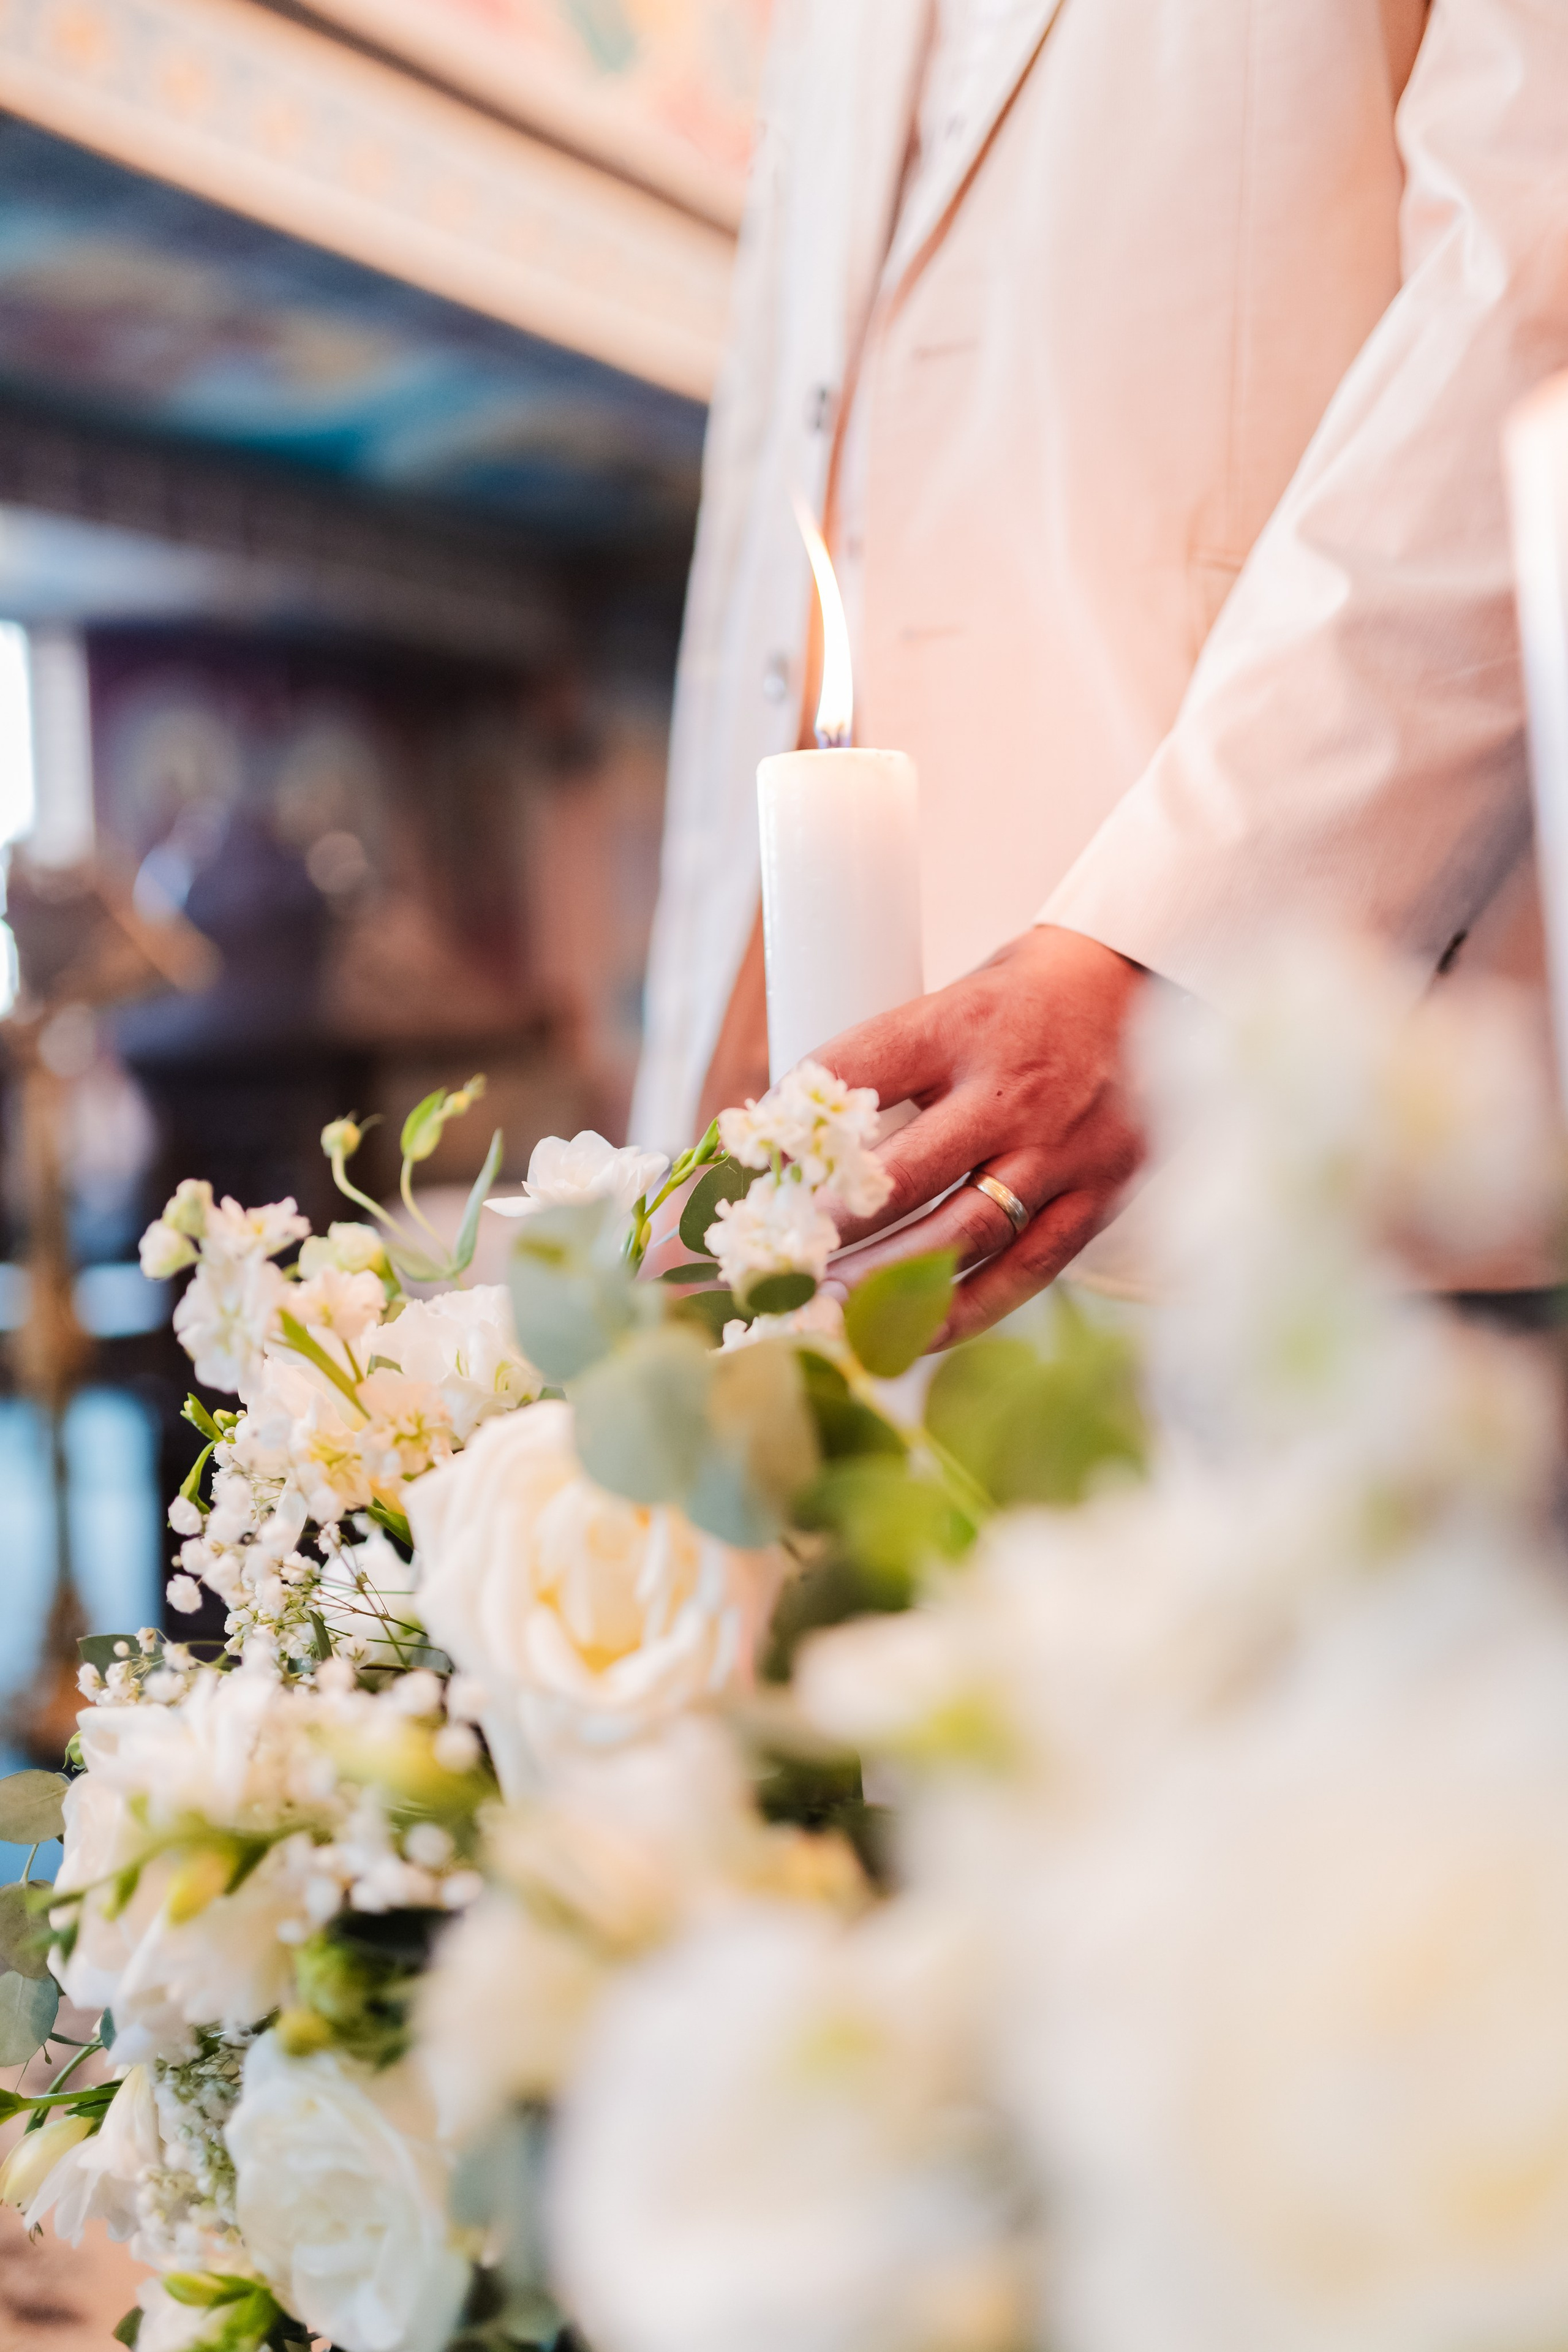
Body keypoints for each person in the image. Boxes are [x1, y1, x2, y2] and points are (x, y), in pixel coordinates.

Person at [631, 0, 1568, 1339]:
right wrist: (689, 1080)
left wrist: (1168, 961)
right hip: (806, 1178)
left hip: (1267, 1168)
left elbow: (1529, 291)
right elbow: (790, 481)